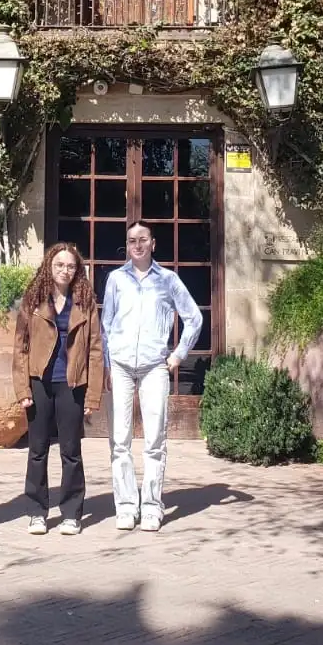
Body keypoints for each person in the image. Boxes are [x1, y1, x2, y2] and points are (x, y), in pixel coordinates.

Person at [101, 220, 203, 533]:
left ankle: (151, 506)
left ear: (153, 243)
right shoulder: (116, 279)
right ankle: (126, 506)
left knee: (155, 440)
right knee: (119, 440)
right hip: (119, 365)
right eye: (132, 240)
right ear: (127, 245)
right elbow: (106, 325)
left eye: (143, 239)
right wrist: (106, 363)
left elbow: (194, 318)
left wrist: (178, 356)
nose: (138, 245)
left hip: (154, 366)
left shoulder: (169, 280)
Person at [12, 242, 105, 536]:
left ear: (77, 270)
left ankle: (71, 513)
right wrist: (23, 389)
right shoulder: (34, 300)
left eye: (70, 266)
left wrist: (93, 394)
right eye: (59, 265)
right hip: (40, 382)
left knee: (71, 451)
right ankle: (37, 512)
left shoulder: (85, 303)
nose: (65, 271)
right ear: (49, 267)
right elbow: (21, 347)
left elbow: (95, 349)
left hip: (72, 384)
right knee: (37, 450)